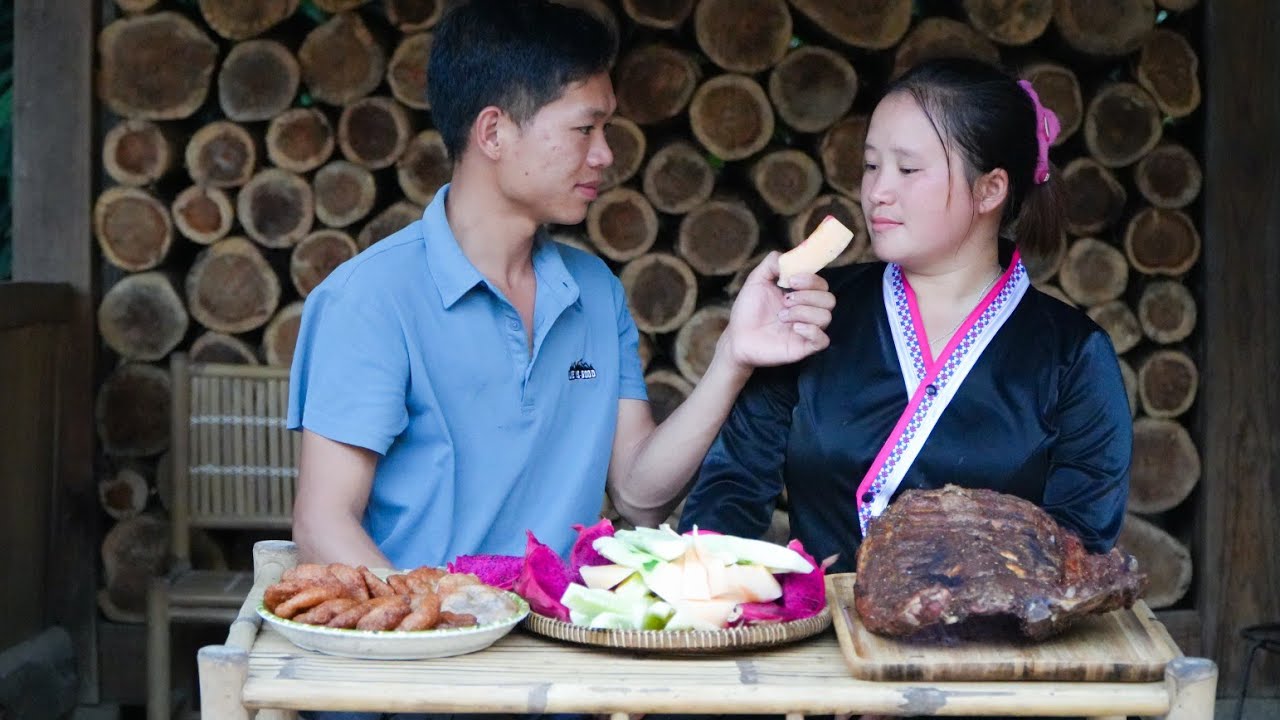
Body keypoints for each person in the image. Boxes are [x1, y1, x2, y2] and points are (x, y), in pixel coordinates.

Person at [285, 0, 835, 578]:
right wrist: (443, 622)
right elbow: (323, 523)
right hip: (425, 652)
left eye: (605, 129)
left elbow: (638, 494)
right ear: (494, 132)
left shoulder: (595, 292)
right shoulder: (371, 298)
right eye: (584, 128)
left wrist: (733, 357)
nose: (605, 154)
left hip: (565, 639)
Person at [678, 57, 1133, 573]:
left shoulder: (1073, 356)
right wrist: (703, 589)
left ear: (990, 189)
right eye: (871, 165)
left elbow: (1079, 544)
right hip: (823, 637)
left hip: (994, 645)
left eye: (908, 169)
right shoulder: (811, 313)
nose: (877, 191)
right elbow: (731, 490)